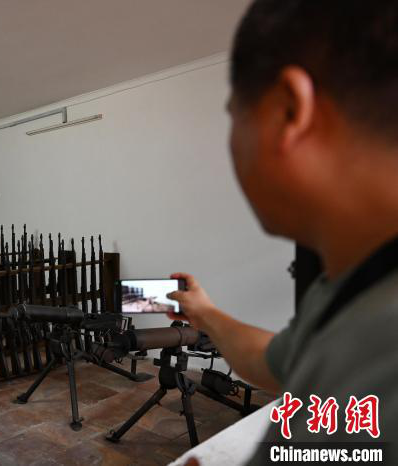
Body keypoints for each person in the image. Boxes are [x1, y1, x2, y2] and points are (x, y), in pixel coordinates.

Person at [166, 0, 398, 463]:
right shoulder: (349, 287)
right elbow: (278, 359)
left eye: (234, 116)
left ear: (289, 110)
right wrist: (205, 313)